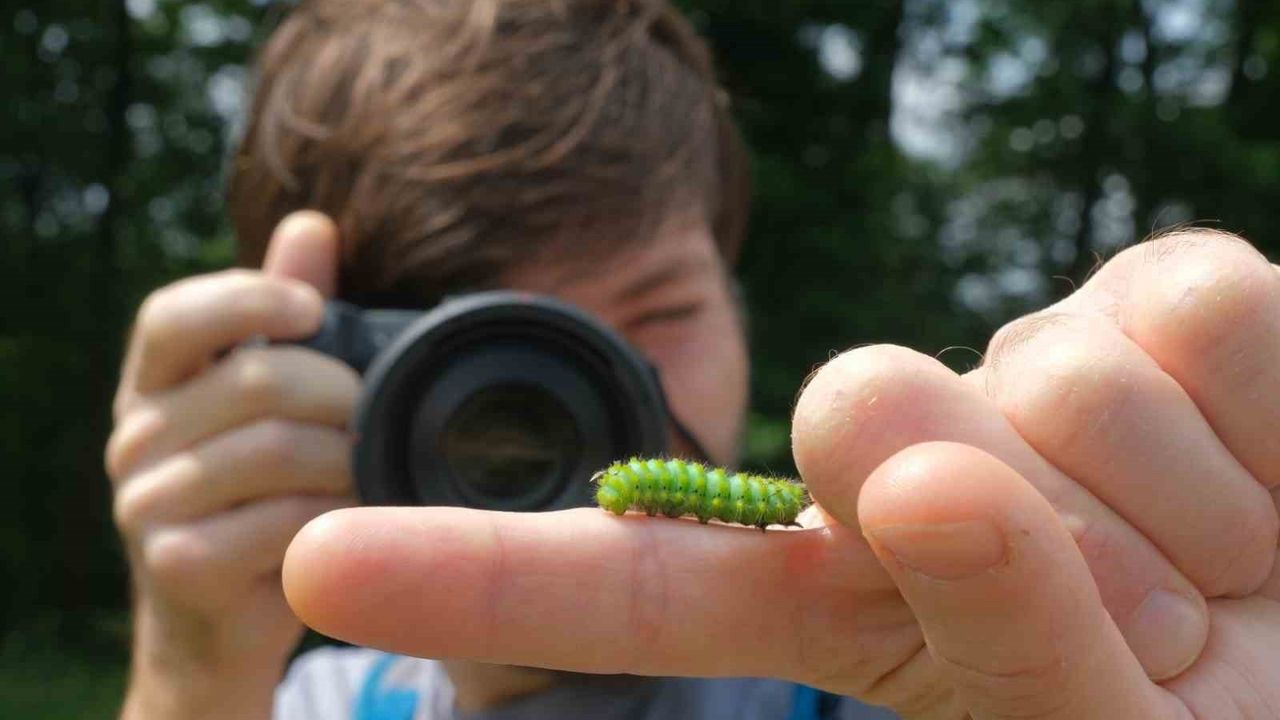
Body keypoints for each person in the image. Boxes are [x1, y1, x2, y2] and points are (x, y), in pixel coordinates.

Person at [105, 1, 1280, 719]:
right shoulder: (308, 704)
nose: (582, 393)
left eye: (656, 306)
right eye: (490, 348)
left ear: (734, 297)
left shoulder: (933, 669)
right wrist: (194, 675)